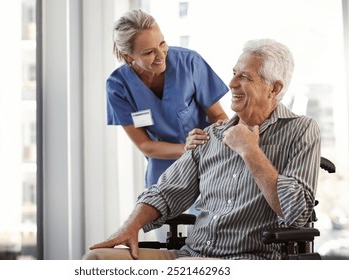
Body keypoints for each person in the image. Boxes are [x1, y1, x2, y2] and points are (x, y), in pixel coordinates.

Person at [85, 38, 321, 260]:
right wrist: (130, 227)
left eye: (245, 77)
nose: (231, 84)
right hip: (190, 254)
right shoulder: (210, 135)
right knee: (96, 259)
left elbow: (297, 212)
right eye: (233, 73)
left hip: (246, 258)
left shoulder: (301, 130)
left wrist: (250, 151)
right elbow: (166, 193)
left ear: (274, 88)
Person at [107, 9, 229, 189]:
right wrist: (185, 149)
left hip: (208, 160)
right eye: (149, 52)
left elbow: (218, 115)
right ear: (128, 56)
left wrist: (224, 136)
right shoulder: (118, 86)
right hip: (163, 169)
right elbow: (145, 144)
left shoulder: (189, 63)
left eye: (162, 43)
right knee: (162, 215)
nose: (161, 55)